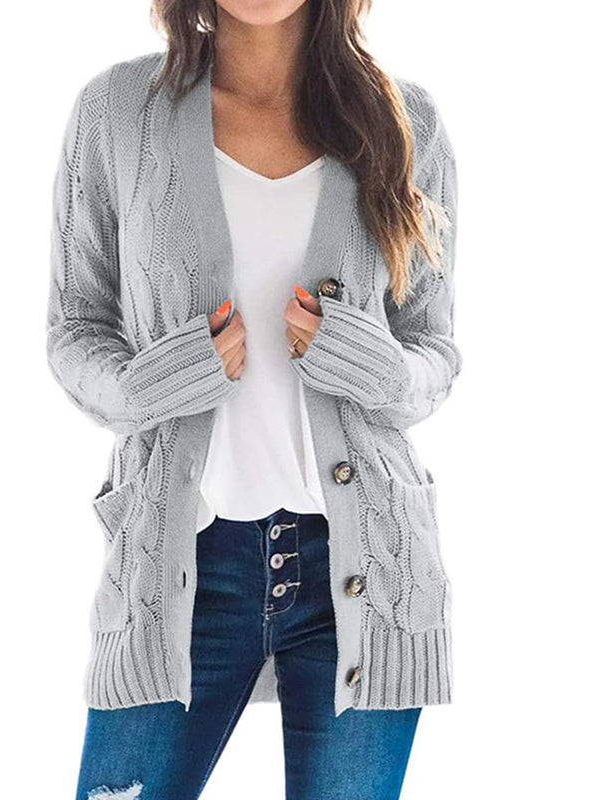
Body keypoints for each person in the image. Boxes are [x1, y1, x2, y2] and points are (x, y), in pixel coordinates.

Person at [46, 1, 462, 797]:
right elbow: (75, 329)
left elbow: (434, 349)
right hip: (180, 563)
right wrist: (154, 382)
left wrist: (370, 364)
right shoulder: (117, 112)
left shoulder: (407, 120)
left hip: (363, 568)